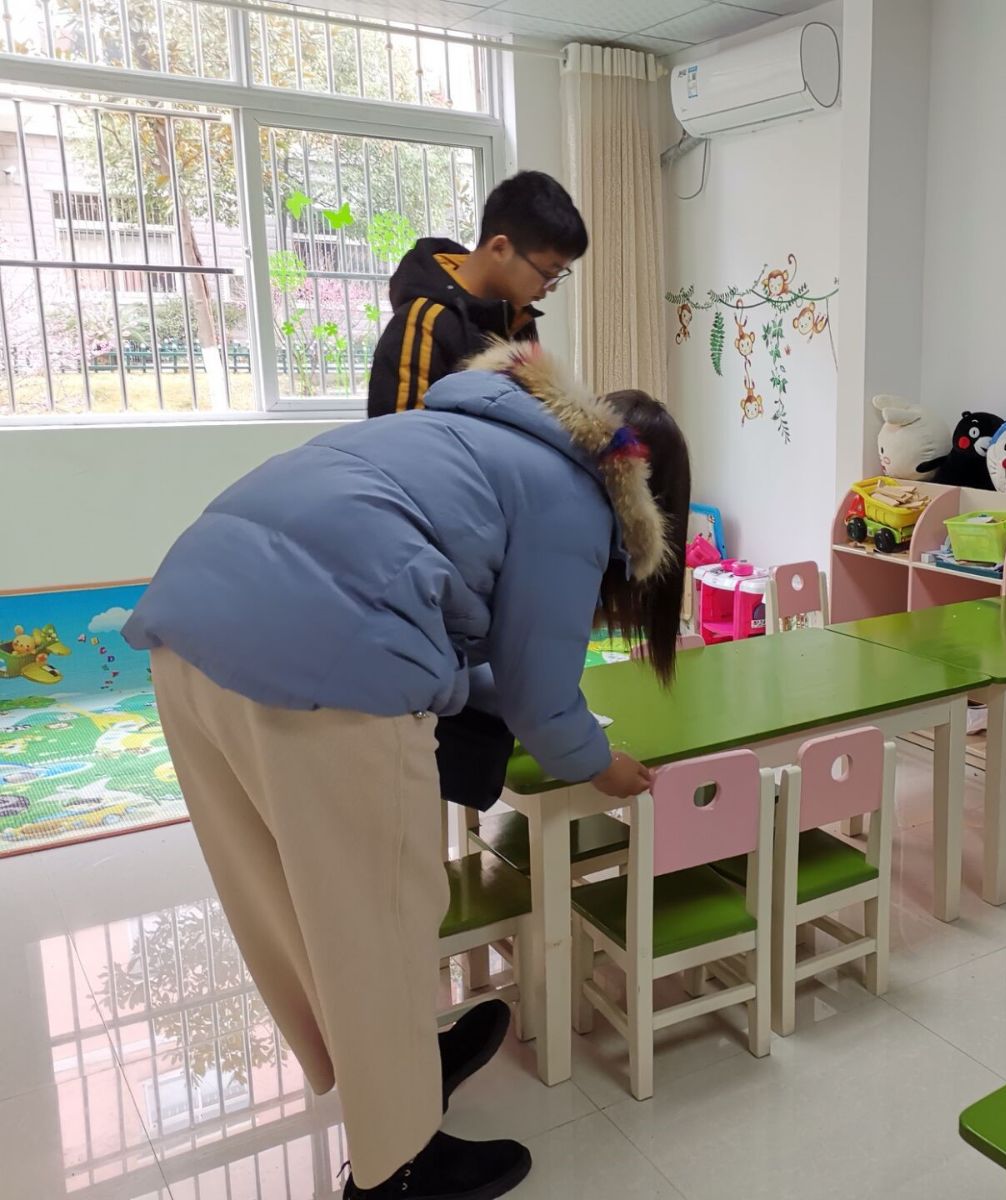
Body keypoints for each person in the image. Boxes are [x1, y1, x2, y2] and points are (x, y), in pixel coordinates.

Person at [126, 341, 689, 1200]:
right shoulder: (576, 500)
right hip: (320, 663)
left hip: (187, 632)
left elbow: (453, 634)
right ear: (649, 498)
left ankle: (395, 1064)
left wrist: (508, 707)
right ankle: (398, 1167)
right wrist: (599, 765)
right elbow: (543, 698)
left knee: (294, 897)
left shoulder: (464, 428)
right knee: (379, 913)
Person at [367, 170, 586, 418]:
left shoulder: (518, 320)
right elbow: (398, 436)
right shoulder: (423, 324)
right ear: (500, 248)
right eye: (547, 273)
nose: (551, 287)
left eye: (558, 275)